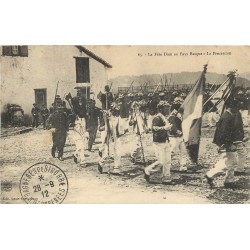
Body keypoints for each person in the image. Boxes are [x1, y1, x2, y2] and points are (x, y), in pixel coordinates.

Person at [205, 100, 239, 188]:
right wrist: (228, 144)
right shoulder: (227, 117)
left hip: (227, 142)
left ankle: (229, 181)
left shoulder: (228, 116)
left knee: (231, 161)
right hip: (225, 143)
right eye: (236, 107)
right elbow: (224, 133)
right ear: (231, 107)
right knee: (228, 163)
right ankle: (210, 175)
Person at [144, 101, 173, 184]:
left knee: (168, 160)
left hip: (165, 140)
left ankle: (166, 177)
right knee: (161, 161)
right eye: (166, 108)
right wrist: (164, 128)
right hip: (158, 142)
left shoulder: (164, 117)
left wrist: (167, 128)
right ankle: (148, 170)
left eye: (168, 108)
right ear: (161, 109)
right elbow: (154, 128)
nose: (168, 110)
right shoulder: (157, 118)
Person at [98, 103, 121, 174]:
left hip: (116, 137)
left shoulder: (118, 118)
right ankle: (101, 163)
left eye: (117, 111)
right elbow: (102, 128)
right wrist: (105, 119)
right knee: (107, 155)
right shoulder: (107, 119)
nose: (115, 112)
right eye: (114, 110)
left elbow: (119, 129)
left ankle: (116, 168)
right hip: (108, 137)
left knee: (118, 152)